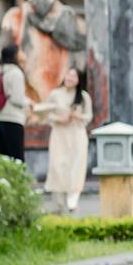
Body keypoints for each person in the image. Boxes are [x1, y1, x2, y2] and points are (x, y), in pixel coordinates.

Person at [35, 66, 92, 216]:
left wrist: (77, 116)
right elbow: (46, 114)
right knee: (58, 166)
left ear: (79, 80)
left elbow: (88, 116)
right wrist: (59, 119)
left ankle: (72, 201)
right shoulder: (55, 94)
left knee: (76, 166)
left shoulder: (84, 97)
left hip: (77, 134)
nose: (70, 79)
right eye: (68, 75)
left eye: (74, 77)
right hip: (60, 135)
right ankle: (59, 203)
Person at [0, 45, 30, 162]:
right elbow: (17, 99)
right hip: (13, 119)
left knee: (5, 159)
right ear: (16, 55)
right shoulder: (16, 73)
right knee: (17, 159)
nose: (24, 54)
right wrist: (29, 102)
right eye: (21, 51)